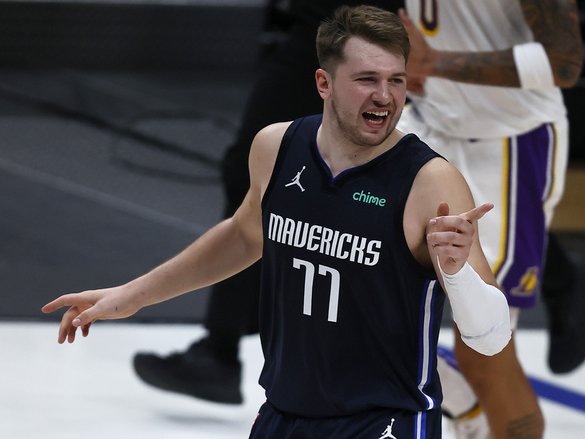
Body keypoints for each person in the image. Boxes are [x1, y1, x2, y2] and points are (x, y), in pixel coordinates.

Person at [42, 6, 514, 438]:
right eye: (367, 79)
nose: (385, 96)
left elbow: (491, 339)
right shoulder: (277, 147)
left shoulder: (430, 182)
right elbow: (244, 235)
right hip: (284, 415)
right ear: (323, 84)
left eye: (396, 80)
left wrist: (457, 274)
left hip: (384, 420)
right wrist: (130, 296)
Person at [131, 0, 405, 406]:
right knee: (296, 186)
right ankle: (251, 345)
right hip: (352, 32)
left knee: (270, 183)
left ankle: (225, 349)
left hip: (341, 29)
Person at [394, 0, 585, 437]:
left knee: (483, 351)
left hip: (507, 143)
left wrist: (437, 62)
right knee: (351, 299)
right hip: (426, 121)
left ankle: (482, 422)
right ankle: (471, 420)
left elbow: (564, 61)